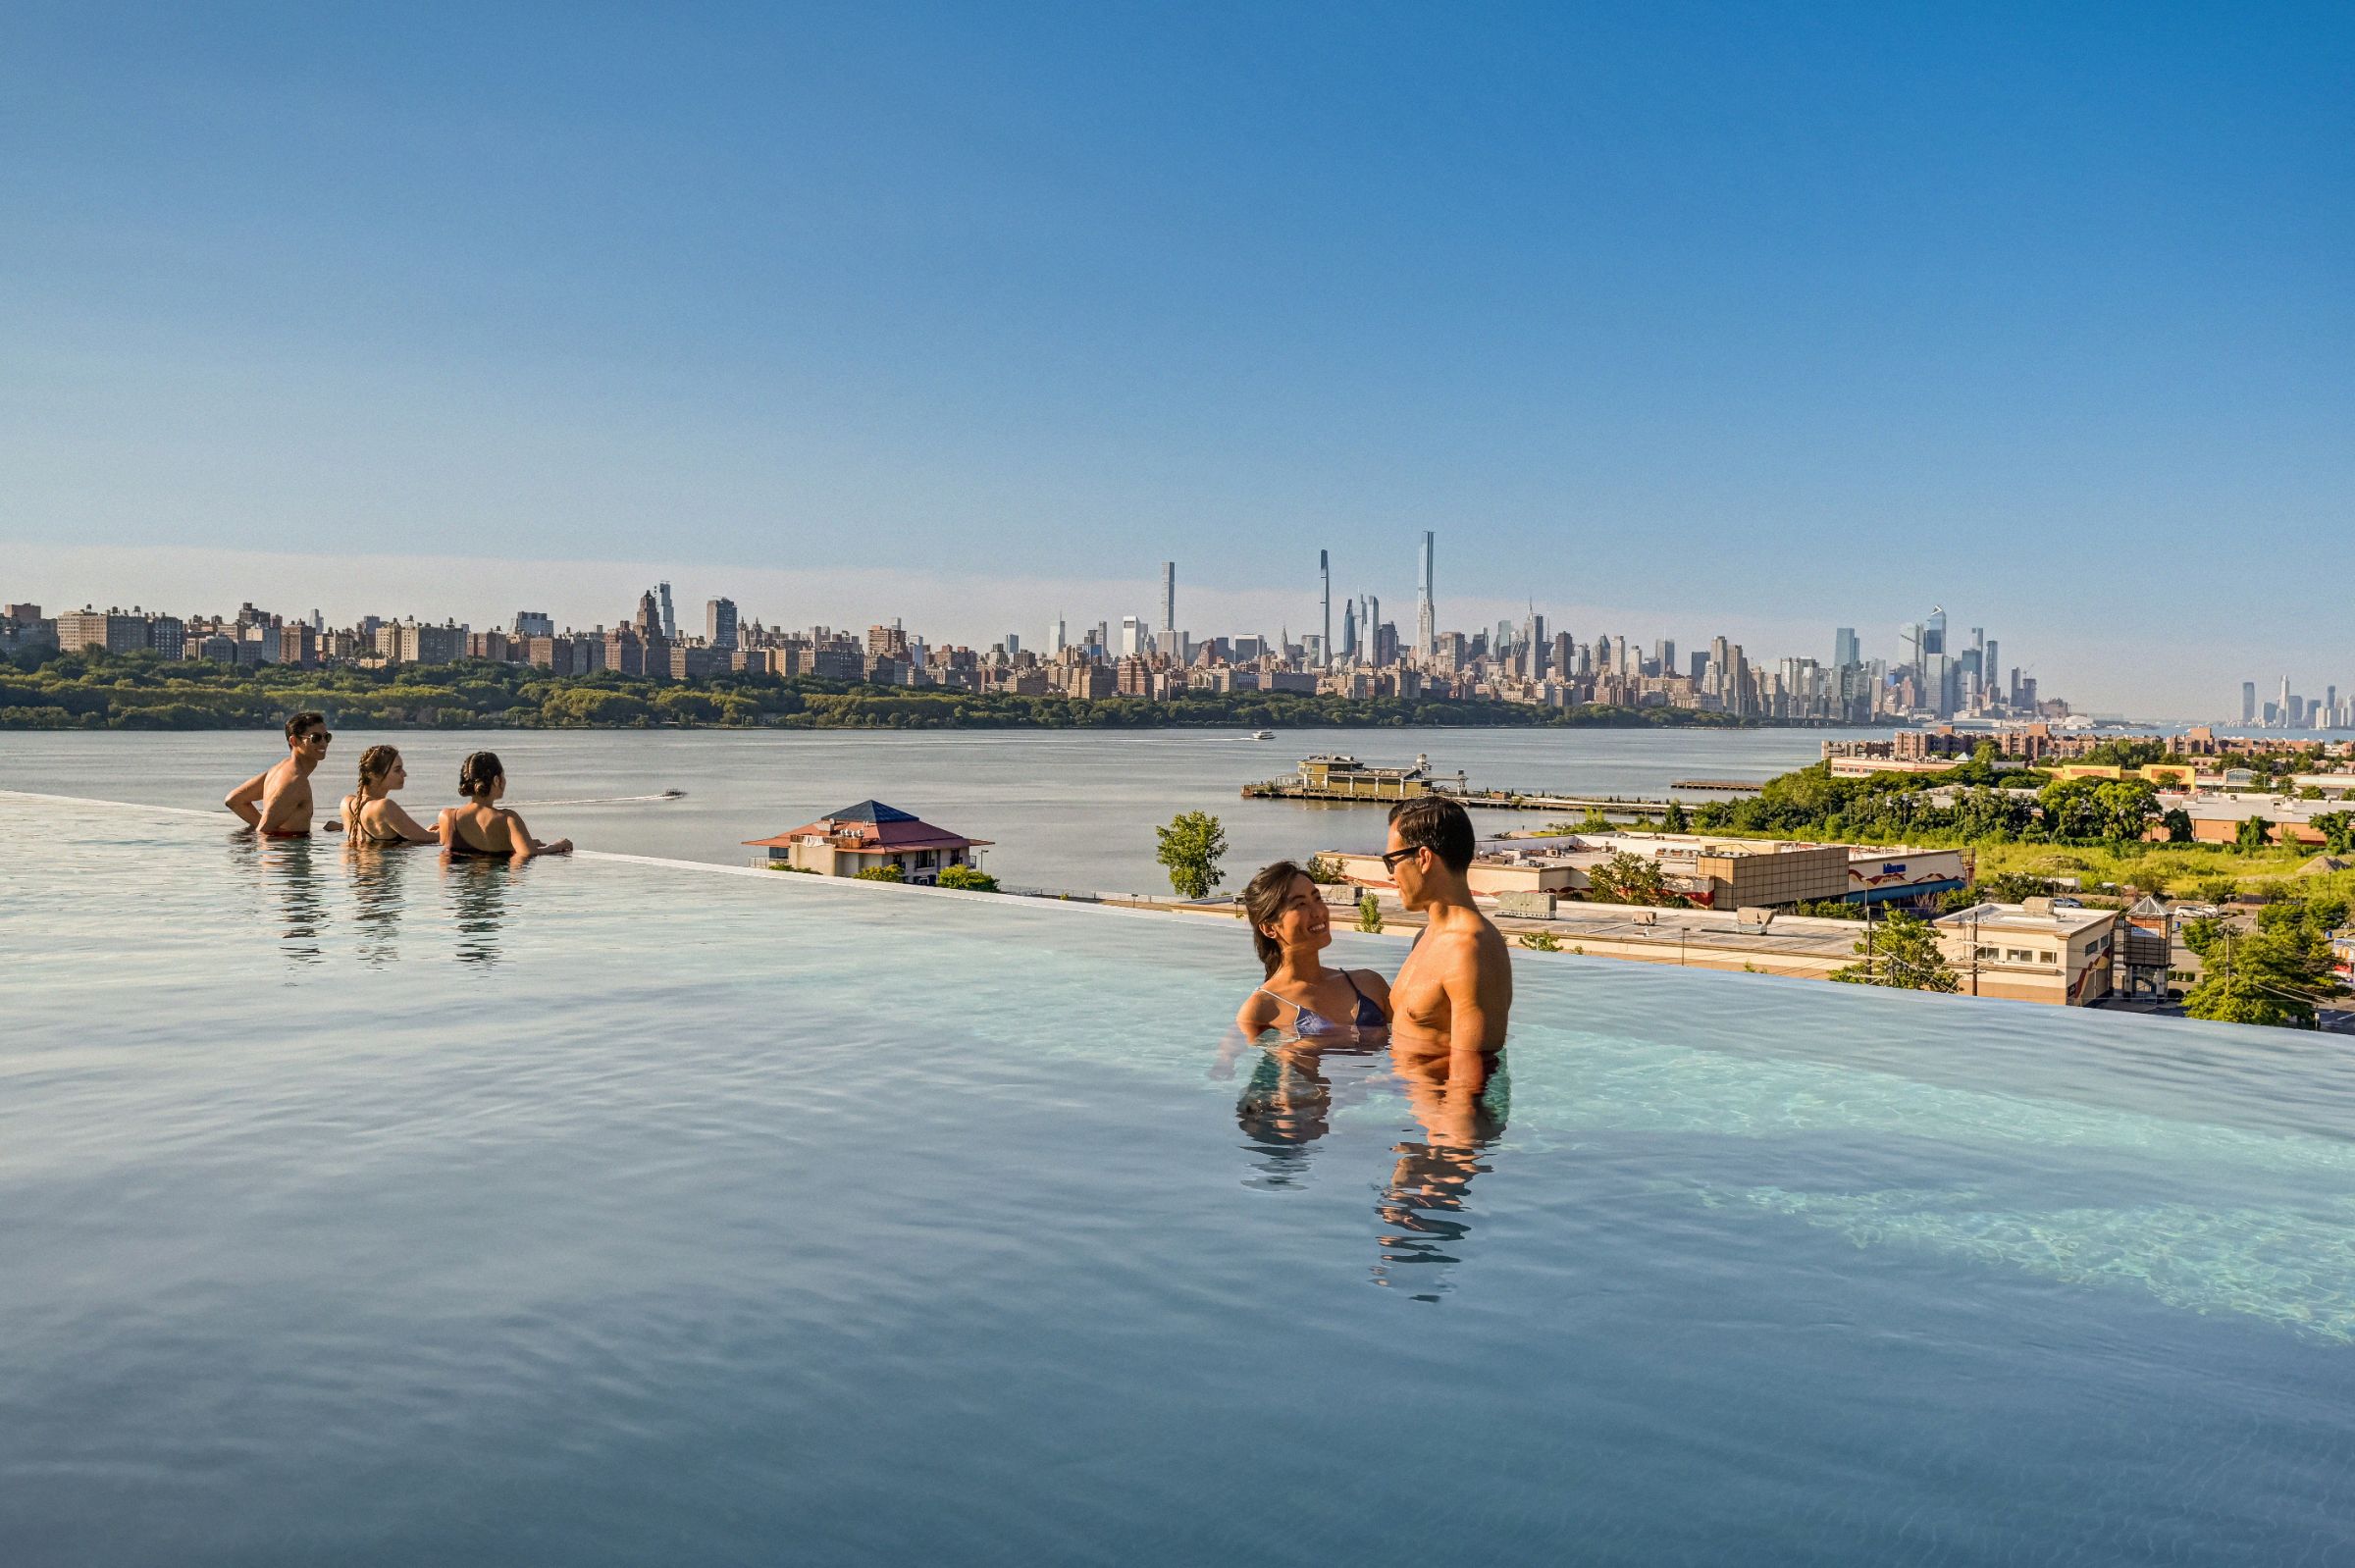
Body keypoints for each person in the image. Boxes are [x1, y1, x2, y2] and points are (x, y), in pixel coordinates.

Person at [1382, 797, 1512, 1064]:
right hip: (1408, 1098)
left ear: (1424, 858)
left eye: (1392, 861)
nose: (1390, 875)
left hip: (1439, 1105)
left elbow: (1470, 1074)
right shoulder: (1426, 936)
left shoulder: (1471, 948)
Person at [1233, 859, 1390, 1039]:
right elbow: (1262, 1065)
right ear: (1269, 928)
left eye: (1317, 898)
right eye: (1300, 904)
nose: (1318, 912)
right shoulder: (1262, 1009)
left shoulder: (1369, 983)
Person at [435, 751, 573, 862]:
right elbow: (529, 853)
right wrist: (558, 845)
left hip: (459, 894)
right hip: (494, 893)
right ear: (496, 780)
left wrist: (526, 841)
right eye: (503, 776)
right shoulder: (507, 819)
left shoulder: (447, 817)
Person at [225, 712, 337, 836]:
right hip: (288, 853)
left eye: (327, 737)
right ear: (294, 741)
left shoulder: (280, 769)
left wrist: (275, 829)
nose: (323, 743)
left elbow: (234, 800)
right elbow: (263, 832)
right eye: (315, 738)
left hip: (287, 848)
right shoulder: (295, 782)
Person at [340, 745, 439, 846]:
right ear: (374, 775)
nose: (404, 774)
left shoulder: (346, 803)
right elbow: (428, 839)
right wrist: (443, 831)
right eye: (397, 770)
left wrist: (423, 832)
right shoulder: (385, 807)